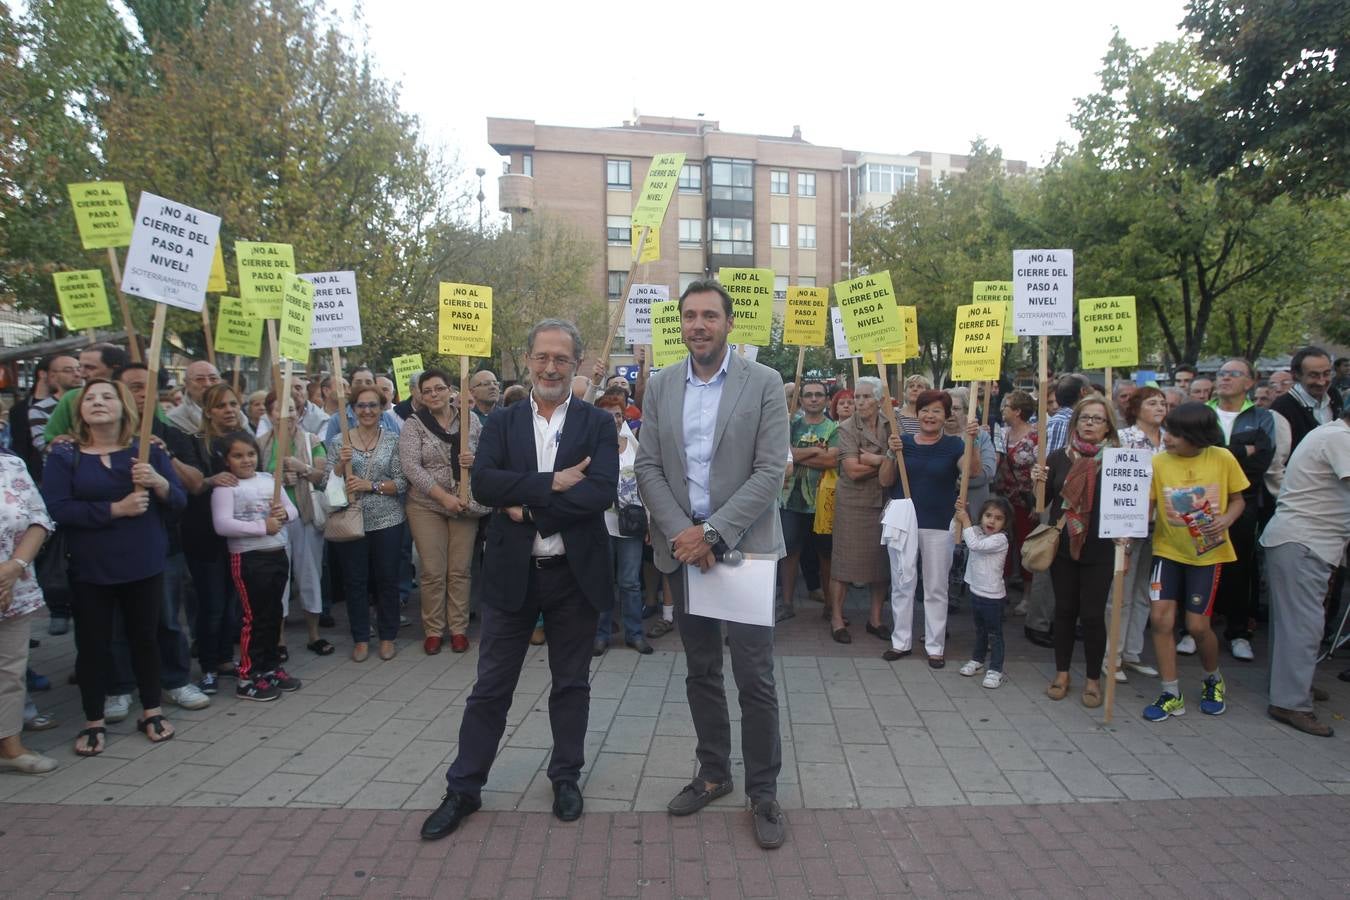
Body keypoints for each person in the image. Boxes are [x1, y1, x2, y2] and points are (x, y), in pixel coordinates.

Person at [422, 319, 618, 841]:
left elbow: (599, 491)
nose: (550, 367)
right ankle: (463, 787)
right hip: (513, 577)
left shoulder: (597, 423)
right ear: (528, 360)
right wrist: (551, 483)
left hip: (573, 577)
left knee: (571, 684)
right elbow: (484, 482)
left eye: (561, 358)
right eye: (542, 357)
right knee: (490, 689)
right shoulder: (504, 422)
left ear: (576, 363)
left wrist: (527, 508)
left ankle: (565, 776)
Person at [634, 279, 790, 850]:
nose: (698, 325)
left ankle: (764, 791)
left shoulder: (765, 382)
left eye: (709, 315)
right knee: (700, 671)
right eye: (690, 316)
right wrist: (683, 535)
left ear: (728, 322)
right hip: (685, 554)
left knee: (755, 677)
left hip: (743, 550)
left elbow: (770, 470)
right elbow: (647, 466)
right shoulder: (661, 384)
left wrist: (714, 532)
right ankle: (714, 772)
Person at [41, 379, 187, 756]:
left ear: (124, 406)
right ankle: (93, 720)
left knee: (144, 637)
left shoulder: (146, 450)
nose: (98, 403)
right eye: (90, 398)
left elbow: (179, 500)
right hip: (90, 567)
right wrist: (114, 510)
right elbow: (56, 509)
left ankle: (151, 710)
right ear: (80, 410)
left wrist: (158, 482)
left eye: (107, 397)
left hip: (143, 562)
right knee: (93, 645)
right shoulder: (64, 455)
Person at [1141, 402, 1249, 723]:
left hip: (1208, 555)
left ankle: (1212, 678)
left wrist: (1226, 520)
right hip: (1167, 552)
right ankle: (1171, 691)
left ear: (1197, 437)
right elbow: (1146, 506)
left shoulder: (1223, 458)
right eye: (1167, 431)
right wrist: (1127, 533)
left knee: (1198, 626)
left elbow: (1239, 499)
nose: (1167, 438)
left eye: (1175, 433)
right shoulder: (1158, 463)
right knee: (1160, 620)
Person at [1031, 396, 1124, 709]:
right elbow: (1041, 505)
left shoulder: (1119, 460)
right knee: (1065, 611)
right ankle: (1061, 673)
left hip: (1101, 547)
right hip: (1064, 547)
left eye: (1097, 419)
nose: (1090, 424)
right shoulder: (1058, 457)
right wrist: (1037, 484)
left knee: (1094, 615)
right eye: (1085, 418)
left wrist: (1128, 531)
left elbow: (1131, 504)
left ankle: (1094, 679)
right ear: (1075, 422)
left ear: (1108, 425)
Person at [1261, 410, 1349, 737]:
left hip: (1304, 541)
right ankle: (1291, 702)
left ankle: (1293, 686)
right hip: (1303, 542)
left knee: (1295, 625)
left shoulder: (1333, 433)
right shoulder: (1339, 438)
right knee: (1304, 626)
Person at [880, 389, 980, 667]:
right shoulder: (903, 443)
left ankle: (935, 646)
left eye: (937, 411)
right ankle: (900, 642)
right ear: (917, 413)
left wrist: (973, 440)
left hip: (938, 522)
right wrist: (891, 452)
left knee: (936, 587)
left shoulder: (954, 446)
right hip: (904, 522)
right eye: (925, 410)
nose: (930, 416)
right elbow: (885, 480)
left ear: (946, 416)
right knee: (902, 582)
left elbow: (971, 472)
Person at [211, 431, 300, 702]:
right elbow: (222, 524)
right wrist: (262, 526)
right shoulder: (225, 487)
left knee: (274, 614)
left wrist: (285, 514)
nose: (246, 460)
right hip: (249, 558)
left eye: (250, 454)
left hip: (277, 553)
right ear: (226, 461)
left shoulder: (268, 480)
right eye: (238, 456)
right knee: (255, 618)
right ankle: (247, 676)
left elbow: (292, 509)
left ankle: (270, 667)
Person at [400, 368, 482, 655]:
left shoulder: (470, 421)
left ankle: (458, 628)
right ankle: (434, 629)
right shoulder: (414, 424)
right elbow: (411, 467)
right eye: (427, 391)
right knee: (433, 571)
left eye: (439, 388)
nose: (433, 394)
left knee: (459, 570)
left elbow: (487, 455)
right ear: (420, 395)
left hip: (463, 503)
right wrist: (442, 497)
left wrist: (475, 459)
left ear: (451, 390)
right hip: (426, 505)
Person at [325, 386, 407, 662]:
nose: (368, 411)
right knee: (355, 581)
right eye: (361, 406)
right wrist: (339, 466)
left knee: (387, 579)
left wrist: (370, 485)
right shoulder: (340, 442)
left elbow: (401, 482)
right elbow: (327, 482)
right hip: (351, 520)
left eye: (373, 405)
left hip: (388, 520)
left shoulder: (393, 440)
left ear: (383, 408)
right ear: (352, 409)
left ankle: (387, 636)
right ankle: (361, 637)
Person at [1206, 358, 1275, 662]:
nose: (1225, 378)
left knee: (1240, 568)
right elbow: (1191, 453)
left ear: (1250, 382)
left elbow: (1261, 461)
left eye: (1234, 374)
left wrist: (1217, 455)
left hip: (1244, 501)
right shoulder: (1203, 413)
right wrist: (1239, 452)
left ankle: (1238, 632)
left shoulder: (1261, 417)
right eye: (1221, 373)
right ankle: (1195, 628)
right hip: (1201, 499)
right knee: (1201, 565)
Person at [183, 383, 248, 695]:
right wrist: (210, 480)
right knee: (212, 604)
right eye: (222, 405)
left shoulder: (242, 441)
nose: (229, 410)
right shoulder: (195, 444)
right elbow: (192, 484)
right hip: (205, 536)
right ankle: (207, 666)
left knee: (232, 600)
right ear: (208, 411)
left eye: (233, 404)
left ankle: (224, 657)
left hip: (236, 534)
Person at [258, 391, 330, 656]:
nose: (286, 415)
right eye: (280, 409)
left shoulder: (312, 441)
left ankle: (314, 634)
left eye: (291, 408)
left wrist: (303, 469)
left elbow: (323, 476)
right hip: (274, 521)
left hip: (306, 516)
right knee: (279, 579)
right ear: (269, 413)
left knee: (310, 574)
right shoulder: (260, 445)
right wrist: (273, 480)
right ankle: (279, 639)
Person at [0, 452, 57, 774]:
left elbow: (39, 519)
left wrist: (12, 568)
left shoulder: (12, 465)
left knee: (10, 671)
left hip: (14, 586)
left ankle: (10, 746)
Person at [830, 378, 893, 644]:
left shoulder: (892, 425)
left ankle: (875, 619)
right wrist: (886, 461)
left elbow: (902, 462)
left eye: (866, 397)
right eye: (857, 397)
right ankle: (836, 619)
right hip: (854, 504)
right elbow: (853, 471)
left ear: (879, 400)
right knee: (844, 564)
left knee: (881, 566)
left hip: (885, 501)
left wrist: (876, 458)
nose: (860, 402)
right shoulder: (846, 427)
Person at [1113, 386, 1167, 681]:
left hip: (1161, 526)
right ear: (1136, 408)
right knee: (1121, 592)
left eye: (1163, 403)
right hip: (1130, 524)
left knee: (1145, 591)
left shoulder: (1171, 442)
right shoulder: (1124, 440)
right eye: (1152, 402)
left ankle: (1132, 652)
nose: (1159, 407)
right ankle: (1114, 655)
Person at [778, 380, 839, 638]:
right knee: (789, 552)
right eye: (808, 395)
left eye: (819, 395)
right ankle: (787, 603)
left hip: (824, 503)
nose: (814, 399)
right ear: (800, 400)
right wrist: (815, 450)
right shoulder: (790, 426)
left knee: (826, 555)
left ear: (826, 399)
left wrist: (797, 454)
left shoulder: (834, 427)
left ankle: (830, 605)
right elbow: (782, 455)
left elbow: (832, 459)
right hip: (790, 500)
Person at [593, 392, 650, 655]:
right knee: (602, 580)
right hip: (599, 523)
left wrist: (649, 520)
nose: (614, 420)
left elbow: (646, 485)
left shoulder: (634, 445)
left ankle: (634, 633)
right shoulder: (590, 446)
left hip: (631, 525)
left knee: (630, 582)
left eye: (617, 414)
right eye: (608, 415)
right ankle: (600, 634)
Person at [955, 497, 1012, 689]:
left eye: (998, 518)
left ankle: (996, 669)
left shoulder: (1000, 539)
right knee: (980, 630)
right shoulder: (977, 532)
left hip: (993, 596)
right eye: (988, 516)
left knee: (995, 634)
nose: (991, 521)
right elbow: (959, 533)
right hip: (976, 591)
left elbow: (975, 545)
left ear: (1005, 523)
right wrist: (960, 513)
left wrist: (966, 520)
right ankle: (978, 660)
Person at [994, 390, 1038, 596]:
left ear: (1018, 411)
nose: (1002, 409)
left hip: (1025, 502)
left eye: (1007, 406)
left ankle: (1027, 596)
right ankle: (999, 591)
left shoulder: (1036, 437)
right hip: (1002, 500)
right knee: (1002, 545)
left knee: (1024, 546)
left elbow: (1040, 470)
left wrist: (1038, 503)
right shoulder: (1001, 433)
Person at [42, 343, 129, 444]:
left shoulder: (141, 396)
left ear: (115, 369)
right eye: (80, 367)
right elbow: (51, 439)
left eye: (90, 368)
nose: (81, 374)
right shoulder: (71, 398)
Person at [1271, 346, 1341, 452]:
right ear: (1296, 375)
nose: (1321, 382)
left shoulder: (1334, 395)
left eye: (1326, 374)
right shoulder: (1282, 408)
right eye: (1314, 375)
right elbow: (1277, 460)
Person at [324, 366, 402, 440]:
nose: (364, 386)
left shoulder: (387, 418)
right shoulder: (337, 420)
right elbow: (331, 451)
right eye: (358, 383)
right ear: (350, 388)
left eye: (368, 382)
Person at [165, 360, 223, 436]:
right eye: (200, 379)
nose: (208, 384)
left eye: (213, 379)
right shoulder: (174, 418)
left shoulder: (234, 412)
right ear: (186, 383)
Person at [1045, 374, 1089, 453]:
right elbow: (1053, 460)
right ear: (1083, 391)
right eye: (1089, 391)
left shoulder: (1075, 419)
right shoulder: (1062, 422)